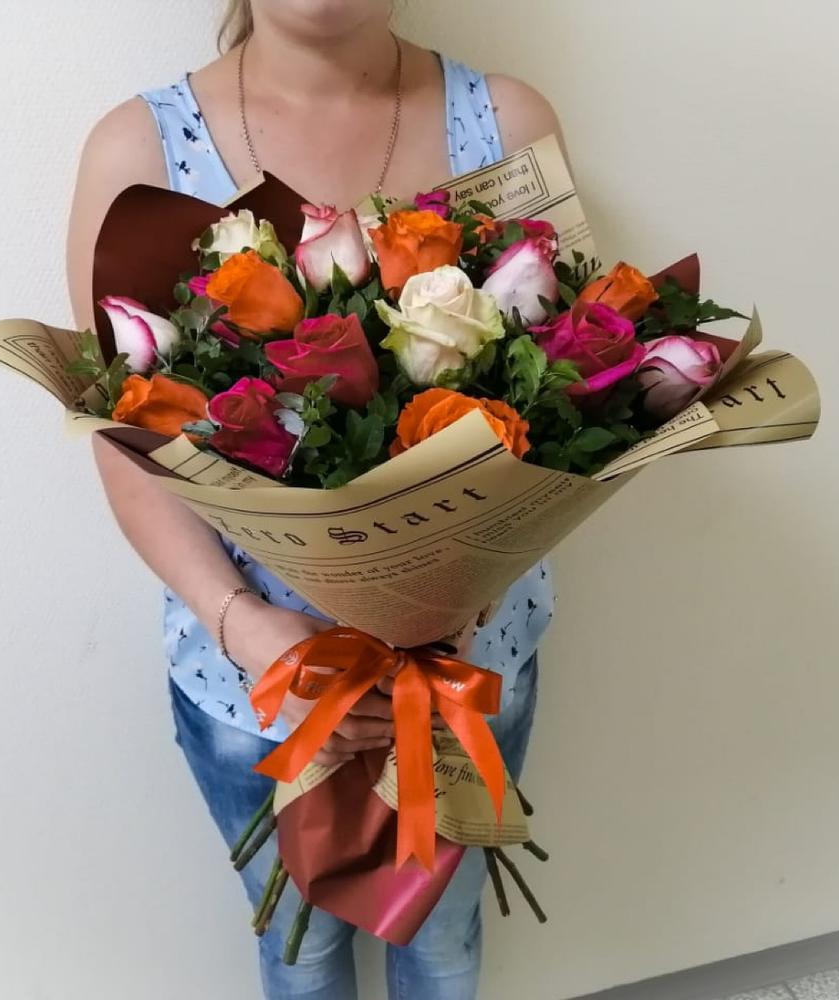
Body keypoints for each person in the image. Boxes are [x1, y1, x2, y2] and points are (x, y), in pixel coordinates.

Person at [66, 2, 563, 997]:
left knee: (446, 941)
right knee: (301, 956)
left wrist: (454, 602)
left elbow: (558, 399)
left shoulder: (505, 124)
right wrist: (250, 633)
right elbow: (126, 437)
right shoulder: (141, 151)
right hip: (252, 685)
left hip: (466, 665)